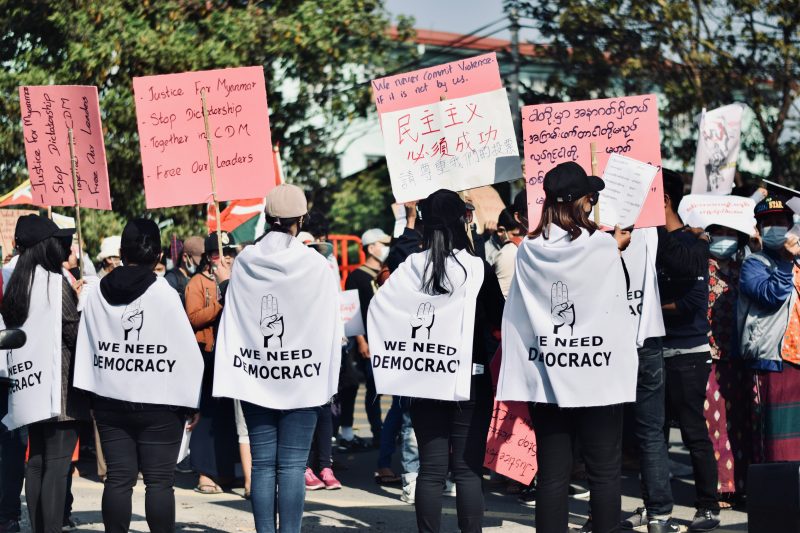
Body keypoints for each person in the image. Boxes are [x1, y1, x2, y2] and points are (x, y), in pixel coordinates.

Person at [497, 162, 636, 533]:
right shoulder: (601, 245)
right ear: (580, 203)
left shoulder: (528, 249)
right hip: (597, 377)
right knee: (604, 474)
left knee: (554, 476)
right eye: (591, 197)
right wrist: (616, 249)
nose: (593, 204)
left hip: (548, 376)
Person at [369, 189, 505, 533]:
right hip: (470, 382)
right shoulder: (477, 269)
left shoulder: (410, 267)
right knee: (467, 470)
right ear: (464, 220)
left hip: (424, 379)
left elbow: (379, 308)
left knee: (430, 470)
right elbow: (499, 320)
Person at [212, 184, 343, 533]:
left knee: (264, 466)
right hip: (302, 377)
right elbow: (330, 322)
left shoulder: (245, 262)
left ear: (268, 217)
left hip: (257, 376)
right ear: (300, 218)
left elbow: (236, 317)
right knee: (292, 465)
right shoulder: (315, 265)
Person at [73, 218, 204, 533]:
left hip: (108, 398)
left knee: (118, 479)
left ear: (121, 252)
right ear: (159, 256)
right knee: (159, 483)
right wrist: (193, 402)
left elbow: (87, 343)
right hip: (160, 403)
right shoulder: (165, 293)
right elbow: (184, 352)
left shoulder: (95, 292)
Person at [1, 215, 90, 533]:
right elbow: (74, 334)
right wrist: (81, 305)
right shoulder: (54, 282)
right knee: (56, 464)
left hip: (29, 386)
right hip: (59, 389)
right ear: (44, 247)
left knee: (36, 460)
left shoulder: (17, 281)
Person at [657, 170, 721, 532]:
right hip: (654, 354)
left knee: (694, 432)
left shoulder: (693, 245)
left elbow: (694, 301)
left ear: (664, 199)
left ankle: (707, 507)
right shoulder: (647, 242)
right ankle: (657, 507)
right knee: (654, 437)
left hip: (689, 356)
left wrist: (650, 306)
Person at [738, 196, 800, 463]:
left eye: (781, 222)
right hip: (772, 360)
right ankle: (778, 498)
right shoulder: (754, 264)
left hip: (797, 359)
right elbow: (771, 295)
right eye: (768, 223)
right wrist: (785, 263)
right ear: (759, 229)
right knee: (776, 440)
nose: (775, 227)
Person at [703, 221, 754, 508]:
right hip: (709, 356)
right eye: (718, 232)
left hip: (738, 356)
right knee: (714, 423)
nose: (724, 238)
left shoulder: (745, 268)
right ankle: (721, 486)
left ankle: (742, 484)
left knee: (740, 424)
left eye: (730, 233)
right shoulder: (700, 267)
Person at [185, 232, 239, 494]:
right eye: (220, 253)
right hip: (206, 355)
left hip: (231, 356)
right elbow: (193, 318)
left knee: (229, 416)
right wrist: (219, 302)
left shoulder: (239, 279)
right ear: (208, 257)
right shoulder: (197, 283)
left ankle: (226, 471)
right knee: (207, 415)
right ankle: (205, 474)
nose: (226, 258)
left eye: (229, 253)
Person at [342, 228, 392, 449]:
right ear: (371, 248)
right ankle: (378, 432)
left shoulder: (388, 272)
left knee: (387, 388)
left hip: (387, 339)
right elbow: (350, 313)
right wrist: (361, 340)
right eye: (383, 243)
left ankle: (388, 430)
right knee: (373, 387)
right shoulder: (356, 276)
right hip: (369, 341)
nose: (386, 248)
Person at [492, 207, 523, 298]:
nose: (521, 238)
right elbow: (502, 295)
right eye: (515, 235)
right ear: (501, 231)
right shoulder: (506, 253)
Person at [165, 236, 203, 306]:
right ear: (185, 257)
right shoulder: (171, 280)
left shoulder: (199, 276)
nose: (199, 266)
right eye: (195, 262)